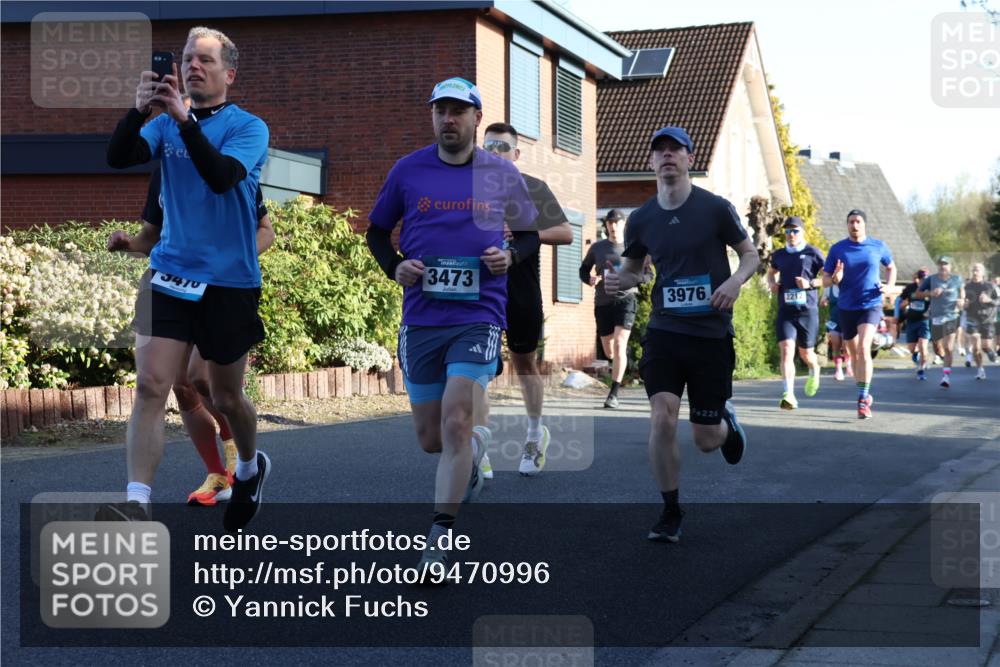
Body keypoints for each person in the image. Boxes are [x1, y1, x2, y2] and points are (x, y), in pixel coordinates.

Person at [365, 77, 538, 571]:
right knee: (432, 438)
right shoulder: (408, 170)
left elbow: (528, 235)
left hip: (478, 313)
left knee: (457, 419)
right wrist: (394, 265)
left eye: (459, 110)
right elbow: (377, 231)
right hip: (422, 316)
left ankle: (439, 541)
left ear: (477, 118)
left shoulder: (501, 174)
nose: (449, 119)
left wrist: (510, 254)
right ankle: (480, 445)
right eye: (440, 109)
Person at [103, 26, 270, 530]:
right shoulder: (164, 124)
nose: (193, 66)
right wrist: (138, 111)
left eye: (205, 60)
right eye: (187, 59)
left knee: (224, 396)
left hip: (228, 281)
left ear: (228, 73)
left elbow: (221, 177)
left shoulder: (249, 128)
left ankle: (247, 466)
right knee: (152, 385)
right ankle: (136, 502)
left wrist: (184, 121)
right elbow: (118, 156)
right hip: (169, 273)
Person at [603, 126, 758, 543]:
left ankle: (725, 422)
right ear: (652, 162)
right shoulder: (641, 218)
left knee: (707, 440)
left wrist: (735, 283)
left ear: (690, 159)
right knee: (662, 416)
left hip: (709, 334)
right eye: (660, 151)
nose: (668, 156)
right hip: (665, 332)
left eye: (676, 150)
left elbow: (750, 254)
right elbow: (634, 269)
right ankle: (670, 511)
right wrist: (620, 281)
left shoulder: (715, 209)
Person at [108, 160, 275, 505]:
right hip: (168, 284)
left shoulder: (230, 167)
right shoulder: (166, 171)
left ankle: (242, 462)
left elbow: (265, 231)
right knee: (167, 385)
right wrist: (131, 244)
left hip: (222, 287)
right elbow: (151, 237)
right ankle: (170, 491)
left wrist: (231, 261)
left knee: (206, 383)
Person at [481, 122, 572, 477]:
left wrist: (524, 231)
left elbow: (565, 232)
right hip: (481, 290)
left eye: (503, 147)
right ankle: (479, 448)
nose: (496, 152)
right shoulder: (469, 188)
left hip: (522, 289)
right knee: (479, 369)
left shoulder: (533, 188)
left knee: (524, 365)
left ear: (516, 154)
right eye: (490, 146)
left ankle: (535, 435)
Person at [822, 209, 897, 419]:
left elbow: (891, 267)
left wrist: (889, 286)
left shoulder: (877, 246)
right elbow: (826, 279)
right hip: (846, 306)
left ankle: (863, 399)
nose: (854, 225)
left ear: (864, 224)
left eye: (858, 221)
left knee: (864, 348)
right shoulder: (838, 249)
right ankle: (863, 390)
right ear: (847, 225)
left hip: (870, 303)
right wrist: (835, 278)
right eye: (851, 222)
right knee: (853, 355)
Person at [579, 210, 652, 409]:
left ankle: (613, 393)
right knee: (609, 351)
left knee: (619, 344)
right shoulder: (597, 248)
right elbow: (583, 270)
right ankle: (622, 355)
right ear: (606, 225)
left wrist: (635, 279)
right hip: (603, 303)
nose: (613, 226)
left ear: (623, 224)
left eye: (617, 222)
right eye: (610, 223)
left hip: (626, 300)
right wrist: (590, 279)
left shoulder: (634, 247)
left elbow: (648, 275)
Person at [766, 216, 825, 409]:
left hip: (808, 311)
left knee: (806, 353)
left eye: (795, 231)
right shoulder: (780, 255)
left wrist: (811, 284)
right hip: (786, 311)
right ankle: (788, 394)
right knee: (786, 351)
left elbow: (827, 278)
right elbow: (771, 271)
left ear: (802, 232)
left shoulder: (813, 253)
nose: (791, 234)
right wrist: (772, 283)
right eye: (788, 231)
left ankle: (814, 368)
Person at [914, 256, 965, 388]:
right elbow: (917, 294)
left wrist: (961, 301)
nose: (943, 267)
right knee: (937, 348)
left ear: (950, 267)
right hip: (936, 317)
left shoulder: (956, 279)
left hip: (952, 316)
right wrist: (930, 293)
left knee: (949, 347)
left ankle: (946, 376)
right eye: (941, 264)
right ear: (938, 266)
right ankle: (941, 358)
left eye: (946, 264)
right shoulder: (931, 279)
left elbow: (962, 294)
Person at [963, 263, 999, 380]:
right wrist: (964, 304)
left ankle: (990, 352)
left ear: (983, 273)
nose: (975, 272)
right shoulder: (967, 287)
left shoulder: (990, 286)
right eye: (973, 269)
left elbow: (998, 301)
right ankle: (980, 370)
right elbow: (963, 303)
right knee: (975, 346)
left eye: (977, 270)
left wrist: (989, 300)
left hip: (987, 320)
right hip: (972, 319)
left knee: (985, 346)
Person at [899, 268, 931, 380]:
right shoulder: (910, 288)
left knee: (923, 345)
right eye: (922, 279)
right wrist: (901, 307)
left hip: (924, 321)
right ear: (918, 278)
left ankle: (921, 370)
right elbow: (901, 300)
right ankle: (916, 355)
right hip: (911, 320)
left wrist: (929, 311)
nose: (923, 281)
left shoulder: (930, 289)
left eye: (925, 279)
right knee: (912, 348)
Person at [821, 285, 852, 381]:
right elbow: (822, 301)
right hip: (834, 322)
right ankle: (838, 370)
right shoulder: (828, 287)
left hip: (848, 321)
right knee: (835, 345)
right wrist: (824, 301)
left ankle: (848, 365)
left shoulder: (849, 284)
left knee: (846, 346)